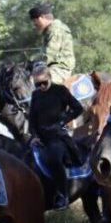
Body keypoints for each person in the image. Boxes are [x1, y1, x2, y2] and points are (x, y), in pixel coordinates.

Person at [28, 63, 84, 209]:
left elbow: (78, 108)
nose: (41, 86)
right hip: (39, 138)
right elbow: (32, 119)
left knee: (53, 159)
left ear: (50, 78)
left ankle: (63, 195)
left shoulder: (60, 91)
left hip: (57, 137)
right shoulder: (35, 95)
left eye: (43, 83)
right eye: (37, 84)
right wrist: (34, 136)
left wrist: (64, 119)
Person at [29, 3, 75, 85]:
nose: (34, 25)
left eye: (34, 21)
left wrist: (30, 62)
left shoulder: (55, 30)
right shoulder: (49, 31)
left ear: (42, 17)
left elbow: (50, 54)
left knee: (32, 81)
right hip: (51, 68)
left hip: (59, 70)